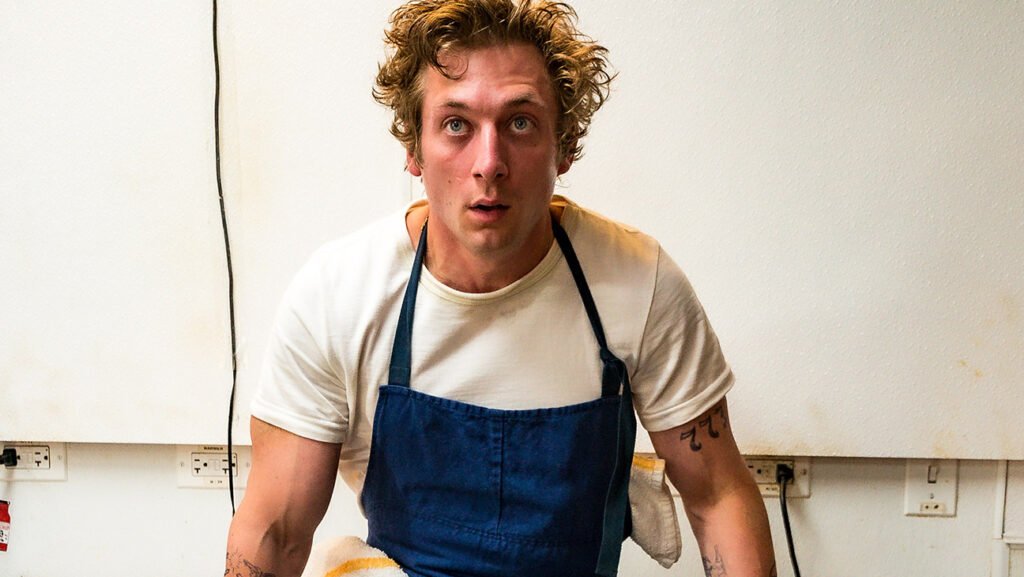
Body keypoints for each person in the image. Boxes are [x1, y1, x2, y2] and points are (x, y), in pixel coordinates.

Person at [225, 1, 776, 576]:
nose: (489, 163)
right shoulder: (338, 295)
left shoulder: (639, 281)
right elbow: (277, 531)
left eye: (519, 123)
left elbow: (717, 497)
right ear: (414, 148)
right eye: (456, 125)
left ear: (564, 145)